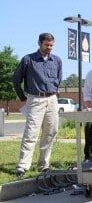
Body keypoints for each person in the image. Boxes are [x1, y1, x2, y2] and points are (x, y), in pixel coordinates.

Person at [12, 33, 62, 177]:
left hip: (52, 99)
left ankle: (43, 165)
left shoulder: (57, 60)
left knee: (50, 132)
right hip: (35, 100)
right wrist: (22, 97)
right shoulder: (28, 60)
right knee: (31, 133)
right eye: (46, 45)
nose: (49, 48)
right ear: (39, 43)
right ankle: (22, 166)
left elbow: (58, 79)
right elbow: (16, 79)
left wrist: (52, 94)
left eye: (51, 45)